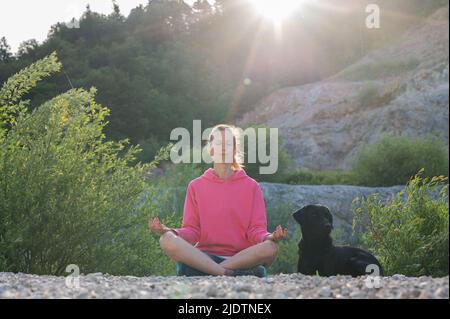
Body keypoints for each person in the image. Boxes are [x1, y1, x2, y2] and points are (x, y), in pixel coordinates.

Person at [148, 124, 288, 277]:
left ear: (234, 150)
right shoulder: (196, 186)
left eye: (228, 144)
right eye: (219, 143)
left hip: (241, 258)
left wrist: (270, 237)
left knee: (271, 247)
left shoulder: (251, 186)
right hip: (205, 256)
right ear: (211, 149)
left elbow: (256, 229)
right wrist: (169, 231)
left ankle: (209, 271)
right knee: (166, 239)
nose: (223, 148)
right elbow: (192, 230)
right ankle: (227, 272)